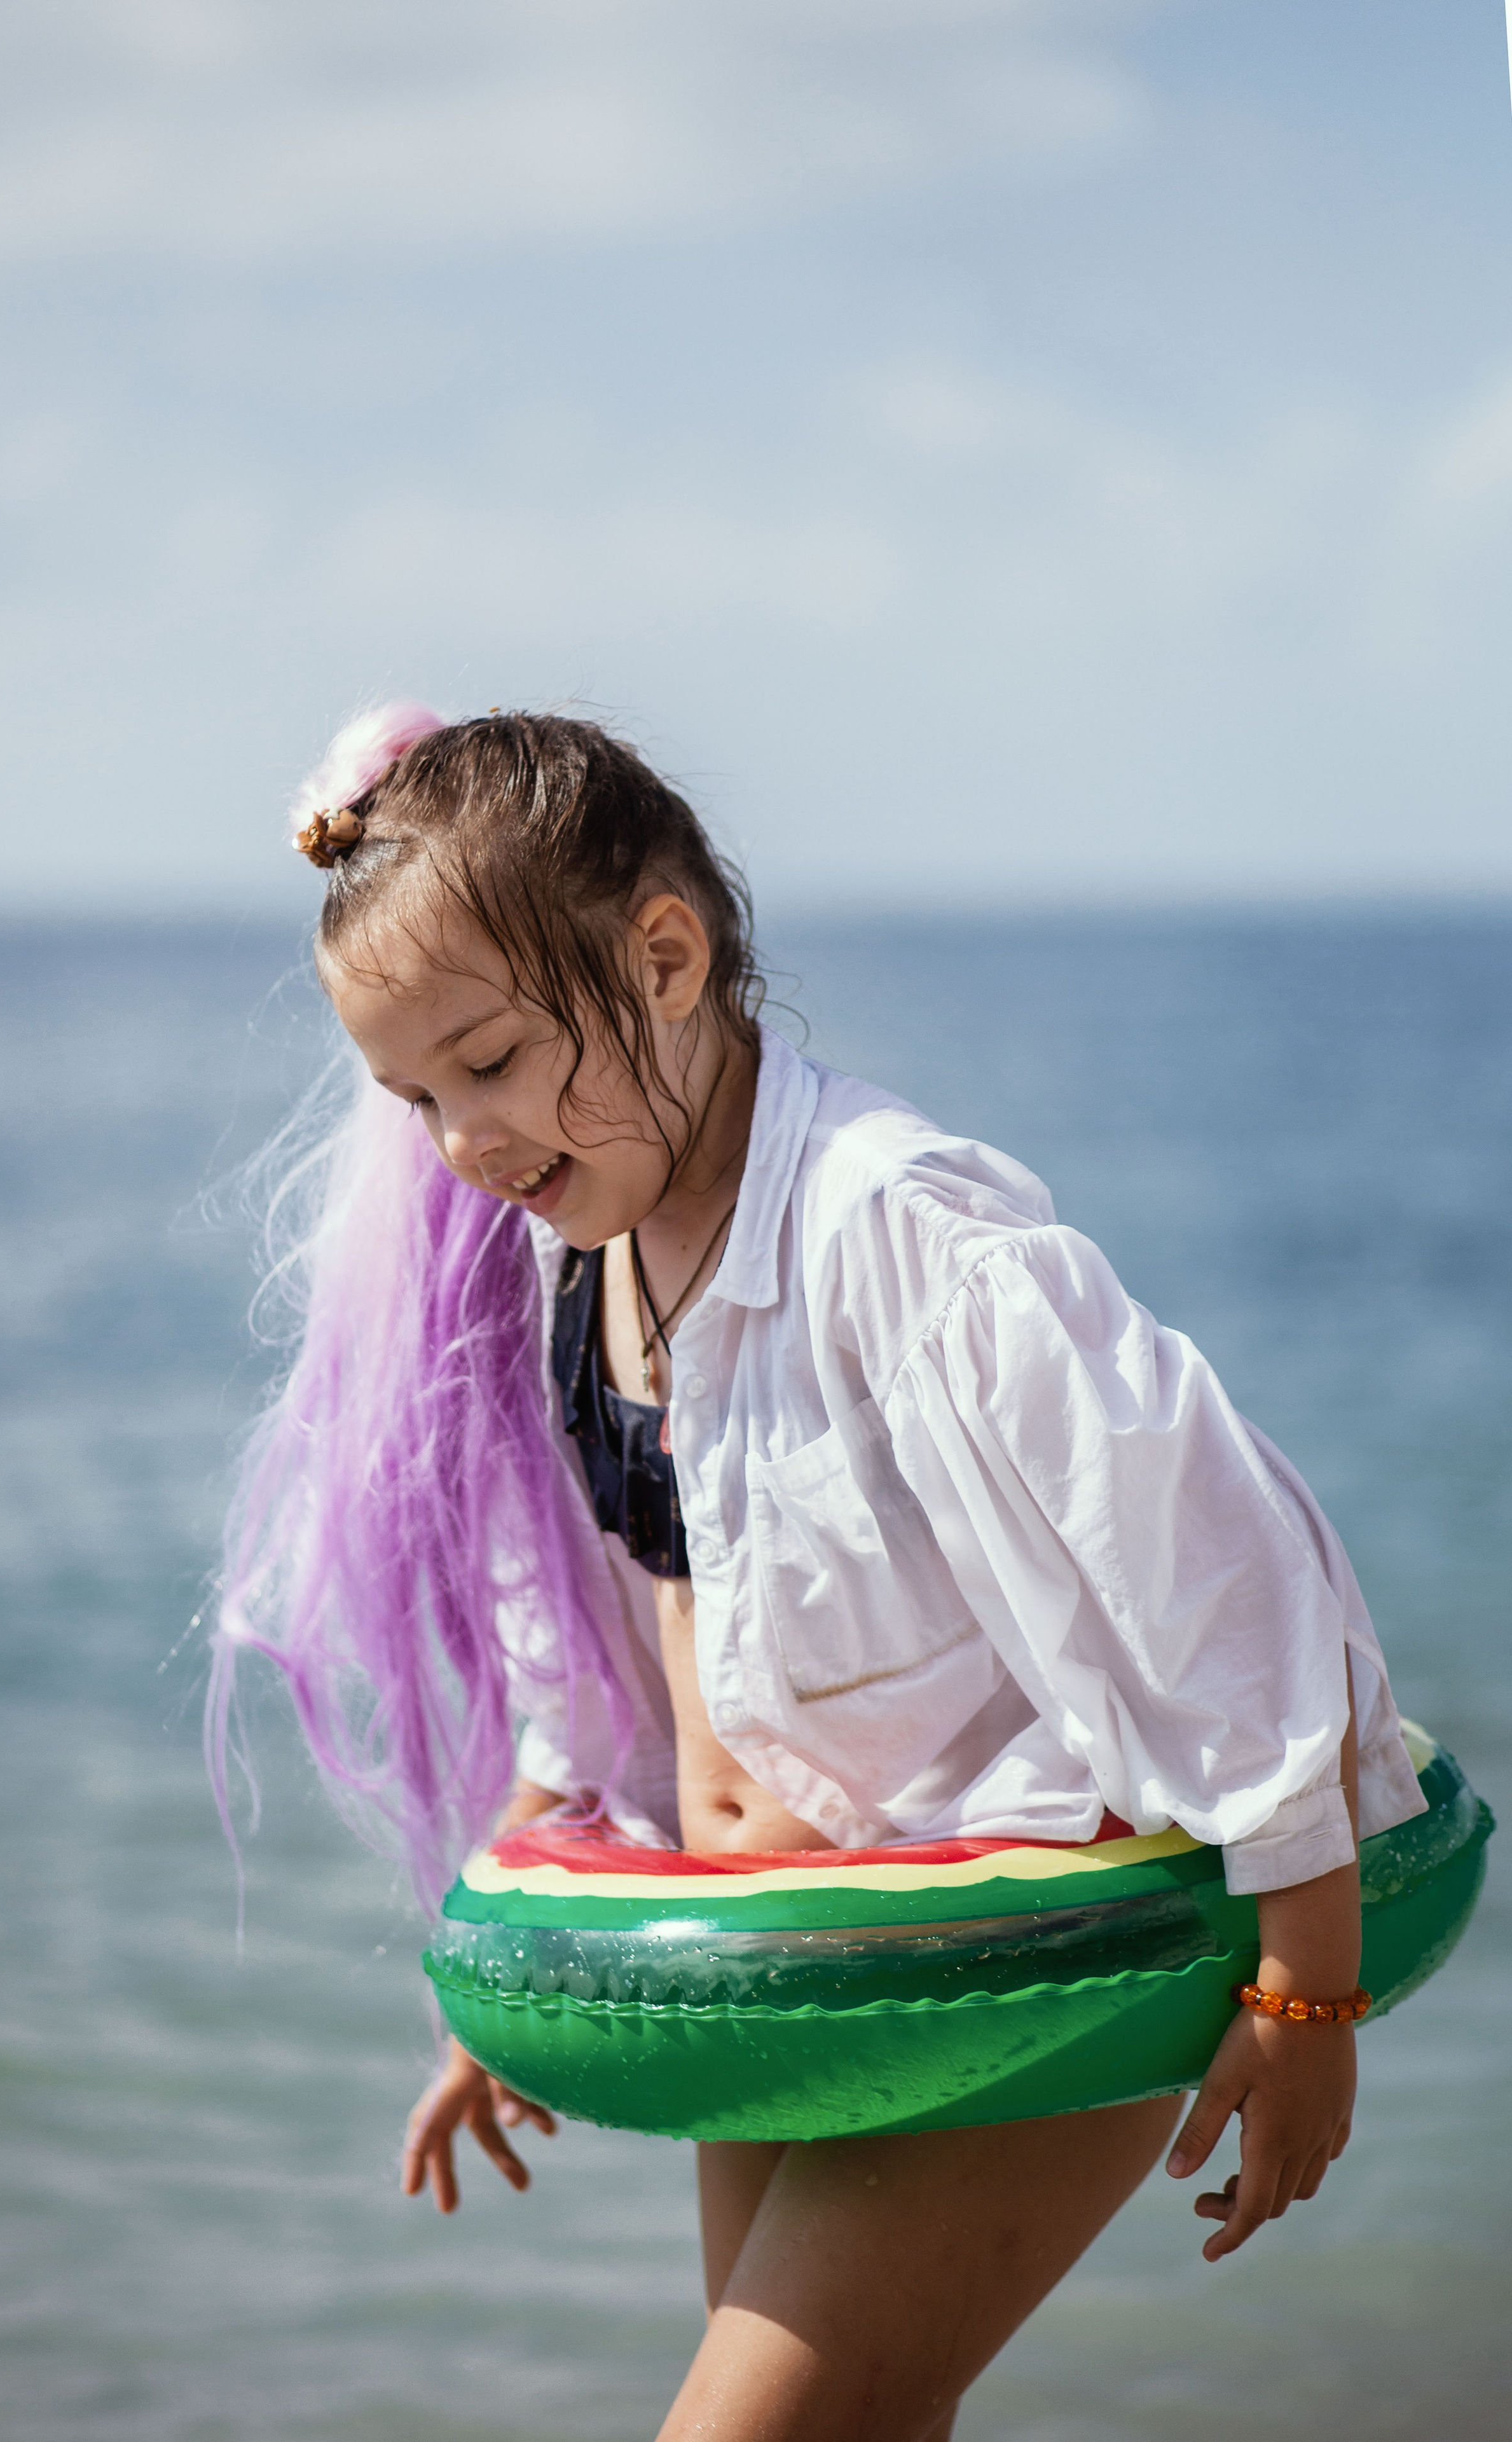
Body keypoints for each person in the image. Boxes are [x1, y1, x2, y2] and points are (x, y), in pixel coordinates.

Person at [212, 703, 1427, 2442]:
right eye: (414, 1099)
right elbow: (628, 1648)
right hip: (794, 1969)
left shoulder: (901, 1234)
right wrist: (520, 1971)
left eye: (486, 1063)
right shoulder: (590, 1260)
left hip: (1021, 1944)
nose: (461, 1143)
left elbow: (1201, 1567)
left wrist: (1311, 1981)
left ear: (666, 954)